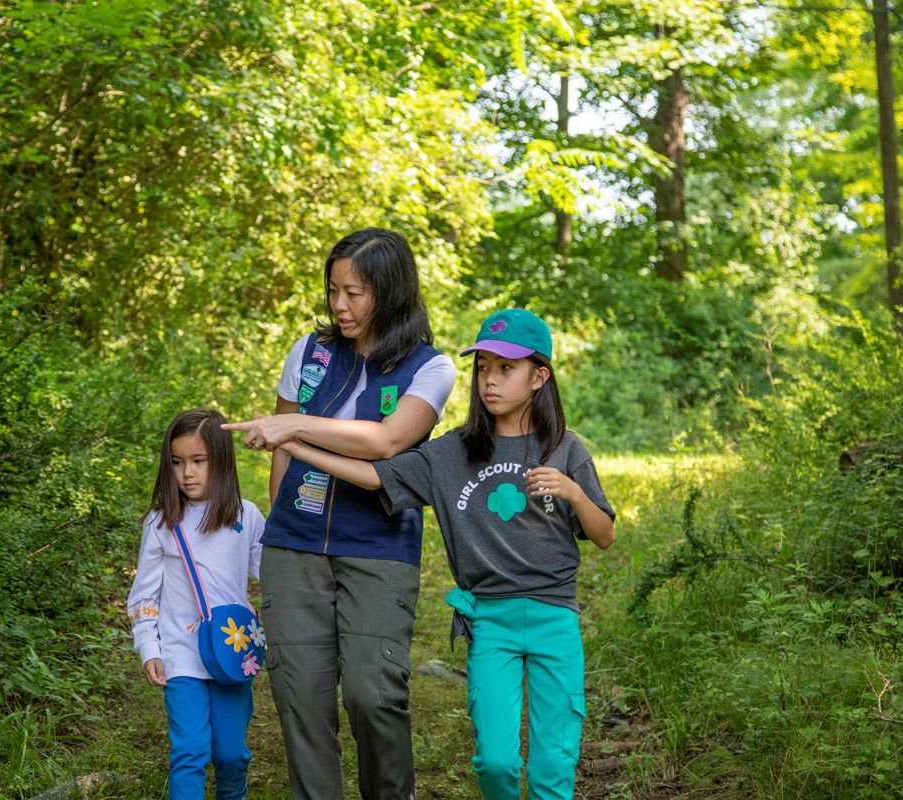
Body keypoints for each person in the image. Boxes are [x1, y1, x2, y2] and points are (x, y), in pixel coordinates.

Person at [276, 308, 616, 800]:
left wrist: (574, 494)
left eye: (505, 368)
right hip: (491, 623)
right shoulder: (451, 452)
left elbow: (603, 534)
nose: (489, 381)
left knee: (553, 766)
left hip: (554, 619)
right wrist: (296, 438)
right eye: (482, 369)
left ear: (539, 376)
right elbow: (377, 476)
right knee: (497, 762)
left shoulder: (565, 450)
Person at [223, 228, 456, 800]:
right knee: (301, 700)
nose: (340, 305)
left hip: (379, 548)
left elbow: (385, 442)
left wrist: (294, 426)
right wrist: (281, 523)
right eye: (333, 290)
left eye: (356, 292)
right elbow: (280, 448)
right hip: (294, 546)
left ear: (392, 292)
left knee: (372, 694)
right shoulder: (309, 351)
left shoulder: (432, 368)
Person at [127, 408, 265, 800]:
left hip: (232, 653)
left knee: (231, 754)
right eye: (177, 463)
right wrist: (148, 648)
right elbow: (144, 596)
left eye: (198, 461)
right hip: (180, 655)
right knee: (189, 751)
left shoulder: (246, 516)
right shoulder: (161, 522)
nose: (187, 473)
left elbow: (274, 579)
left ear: (220, 460)